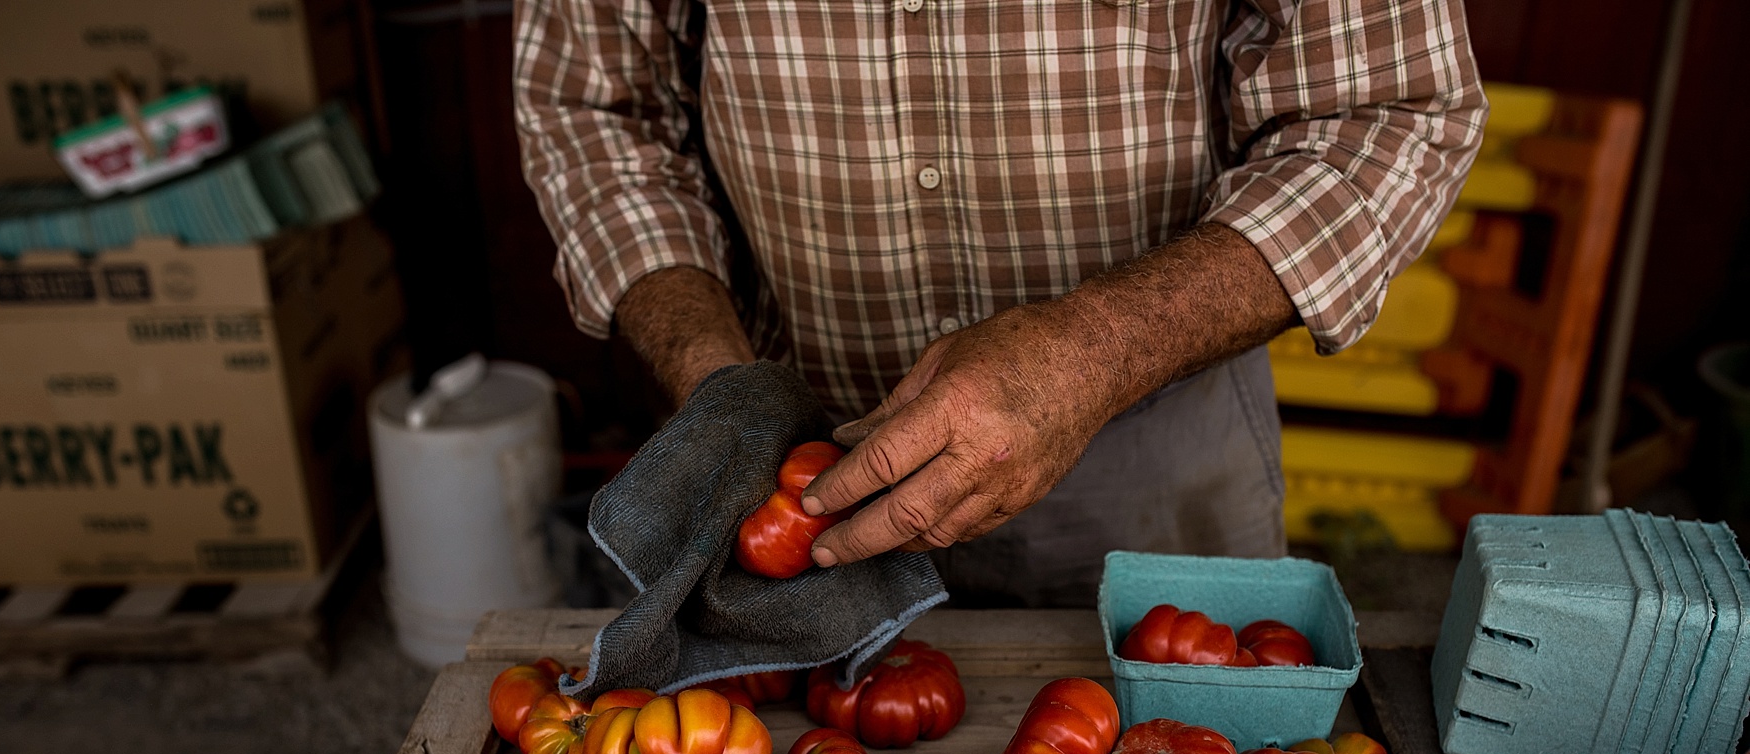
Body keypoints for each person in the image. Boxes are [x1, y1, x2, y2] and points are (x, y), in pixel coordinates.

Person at [514, 0, 1486, 606]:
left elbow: (1391, 111)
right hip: (802, 474)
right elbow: (594, 110)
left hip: (1157, 456)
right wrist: (717, 380)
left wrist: (1096, 349)